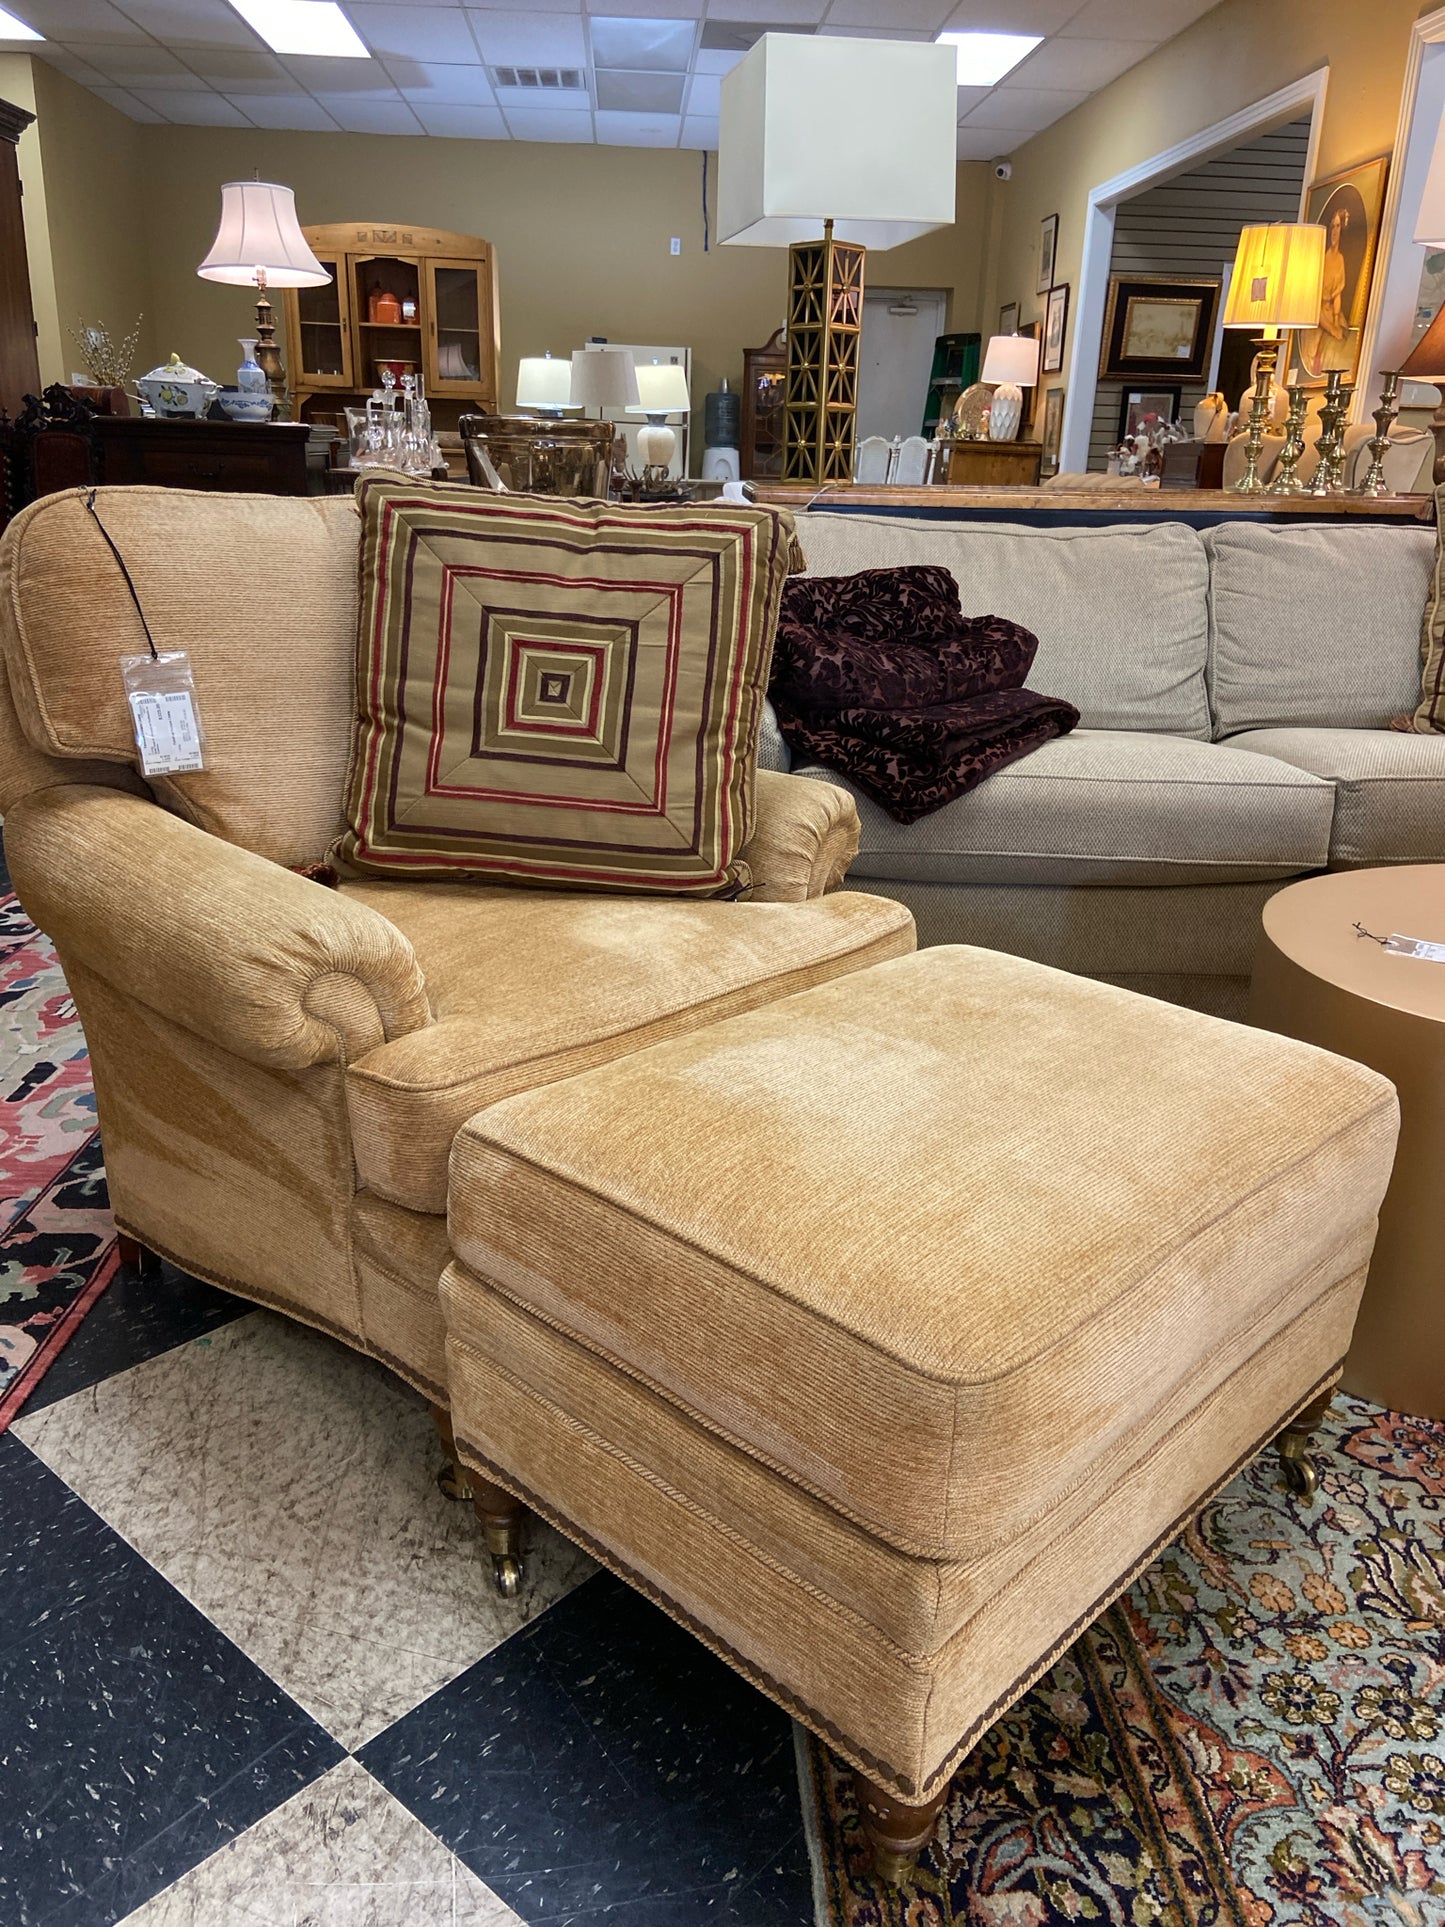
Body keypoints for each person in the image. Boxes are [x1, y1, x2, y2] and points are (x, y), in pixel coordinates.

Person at [1298, 207, 1354, 377]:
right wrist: (1330, 328)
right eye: (1332, 227)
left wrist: (1336, 322)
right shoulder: (1322, 259)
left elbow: (1337, 294)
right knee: (1328, 347)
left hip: (1332, 313)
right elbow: (1315, 301)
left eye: (1337, 227)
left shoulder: (1340, 259)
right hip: (1319, 315)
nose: (1334, 232)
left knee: (1347, 341)